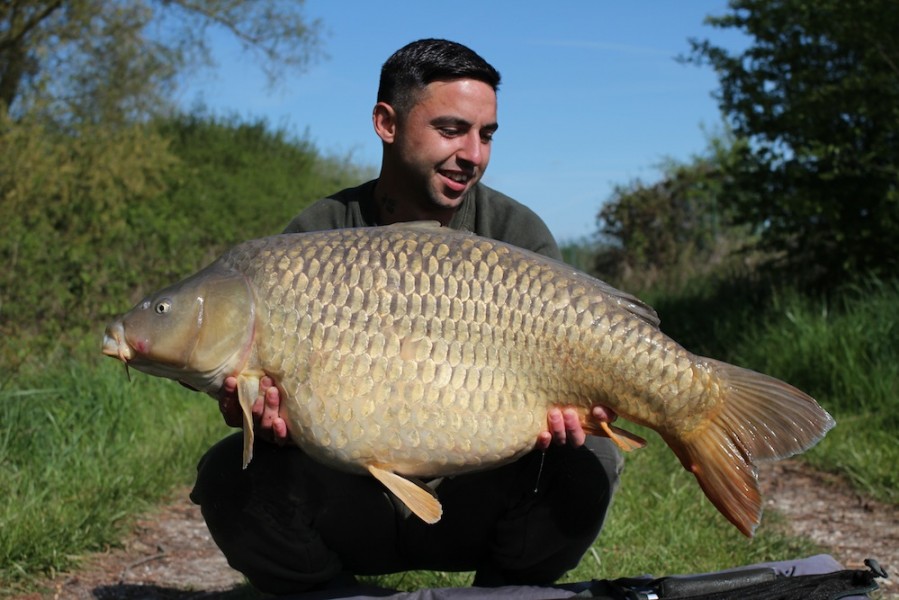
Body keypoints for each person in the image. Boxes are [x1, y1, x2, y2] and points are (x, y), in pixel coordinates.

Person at [190, 38, 623, 596]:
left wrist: (572, 420)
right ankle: (330, 593)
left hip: (477, 496)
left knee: (590, 458)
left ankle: (505, 592)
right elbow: (258, 392)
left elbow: (574, 382)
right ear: (386, 123)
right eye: (451, 130)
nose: (474, 154)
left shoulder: (517, 235)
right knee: (230, 474)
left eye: (486, 134)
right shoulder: (315, 235)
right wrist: (260, 422)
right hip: (351, 498)